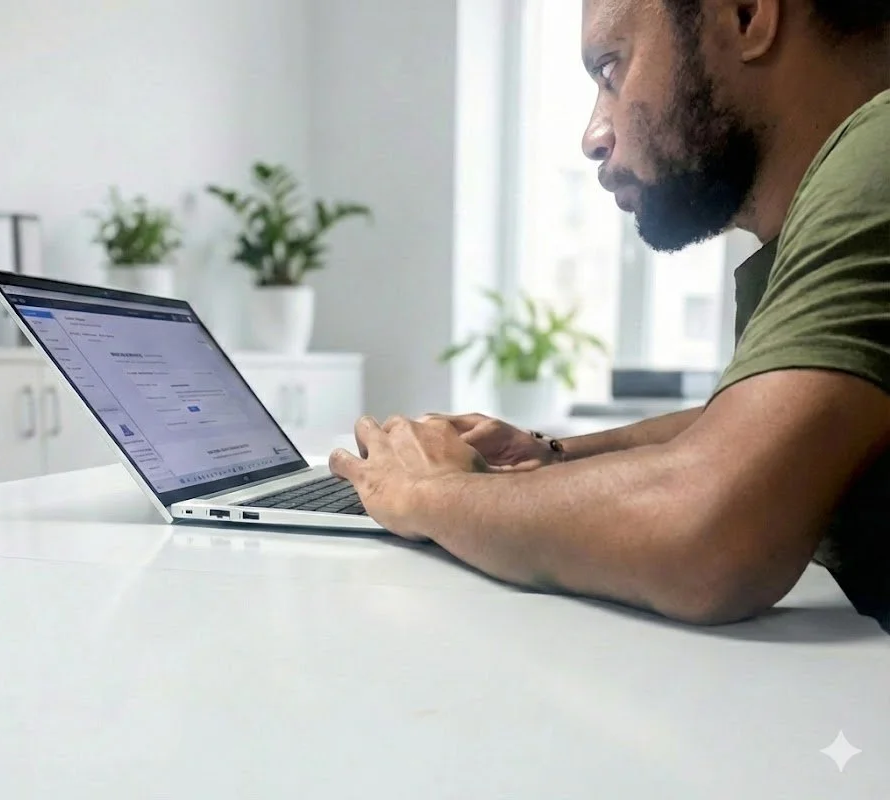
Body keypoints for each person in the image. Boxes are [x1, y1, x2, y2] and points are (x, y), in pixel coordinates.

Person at [329, 0, 890, 631]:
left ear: (745, 14)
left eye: (609, 67)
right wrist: (558, 457)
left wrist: (430, 496)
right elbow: (759, 424)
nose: (595, 134)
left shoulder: (881, 153)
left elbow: (707, 535)